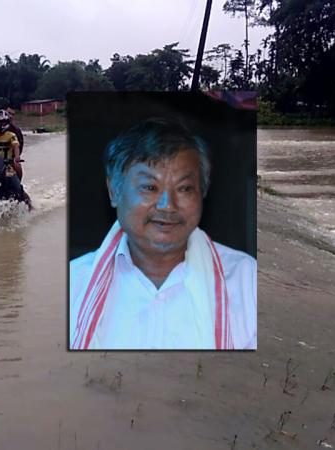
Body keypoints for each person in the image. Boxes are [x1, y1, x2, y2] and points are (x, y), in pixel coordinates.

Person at [69, 118, 256, 350]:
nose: (168, 205)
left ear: (202, 193)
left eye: (185, 188)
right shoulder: (73, 283)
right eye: (149, 187)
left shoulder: (248, 282)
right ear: (114, 191)